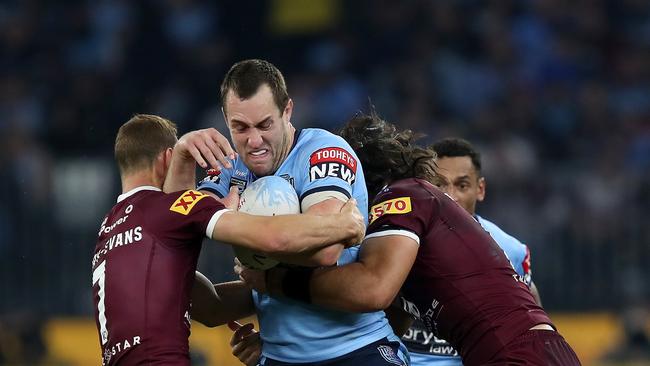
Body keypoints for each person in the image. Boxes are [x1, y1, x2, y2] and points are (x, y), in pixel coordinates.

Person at [239, 112, 581, 366]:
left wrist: (275, 280)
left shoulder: (402, 196)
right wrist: (282, 339)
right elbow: (389, 321)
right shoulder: (408, 234)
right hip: (526, 350)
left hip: (512, 353)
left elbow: (372, 290)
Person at [165, 59, 409, 366]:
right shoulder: (229, 166)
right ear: (225, 120)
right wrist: (182, 157)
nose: (254, 141)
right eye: (240, 127)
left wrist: (238, 230)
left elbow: (325, 250)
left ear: (288, 111)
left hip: (356, 351)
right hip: (278, 357)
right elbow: (171, 239)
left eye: (265, 125)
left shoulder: (323, 151)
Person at [91, 114, 366, 365]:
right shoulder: (170, 208)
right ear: (168, 158)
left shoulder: (109, 229)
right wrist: (341, 225)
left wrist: (268, 297)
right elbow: (272, 237)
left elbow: (196, 300)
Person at [398, 137, 543, 366]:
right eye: (440, 184)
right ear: (424, 186)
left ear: (480, 189)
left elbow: (528, 315)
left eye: (462, 185)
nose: (451, 196)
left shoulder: (510, 249)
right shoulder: (399, 238)